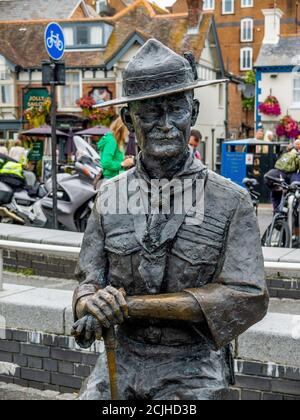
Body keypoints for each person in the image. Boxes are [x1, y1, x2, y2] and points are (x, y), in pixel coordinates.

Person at [71, 39, 268, 401]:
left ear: (192, 113)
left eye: (174, 109)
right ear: (129, 120)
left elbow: (247, 296)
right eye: (149, 112)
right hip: (121, 360)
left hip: (193, 367)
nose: (164, 124)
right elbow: (88, 283)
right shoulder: (108, 197)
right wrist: (89, 305)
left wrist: (128, 306)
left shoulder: (231, 201)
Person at [265, 139, 300, 212]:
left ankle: (277, 215)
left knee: (276, 198)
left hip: (275, 178)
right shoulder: (295, 158)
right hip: (286, 180)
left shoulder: (286, 153)